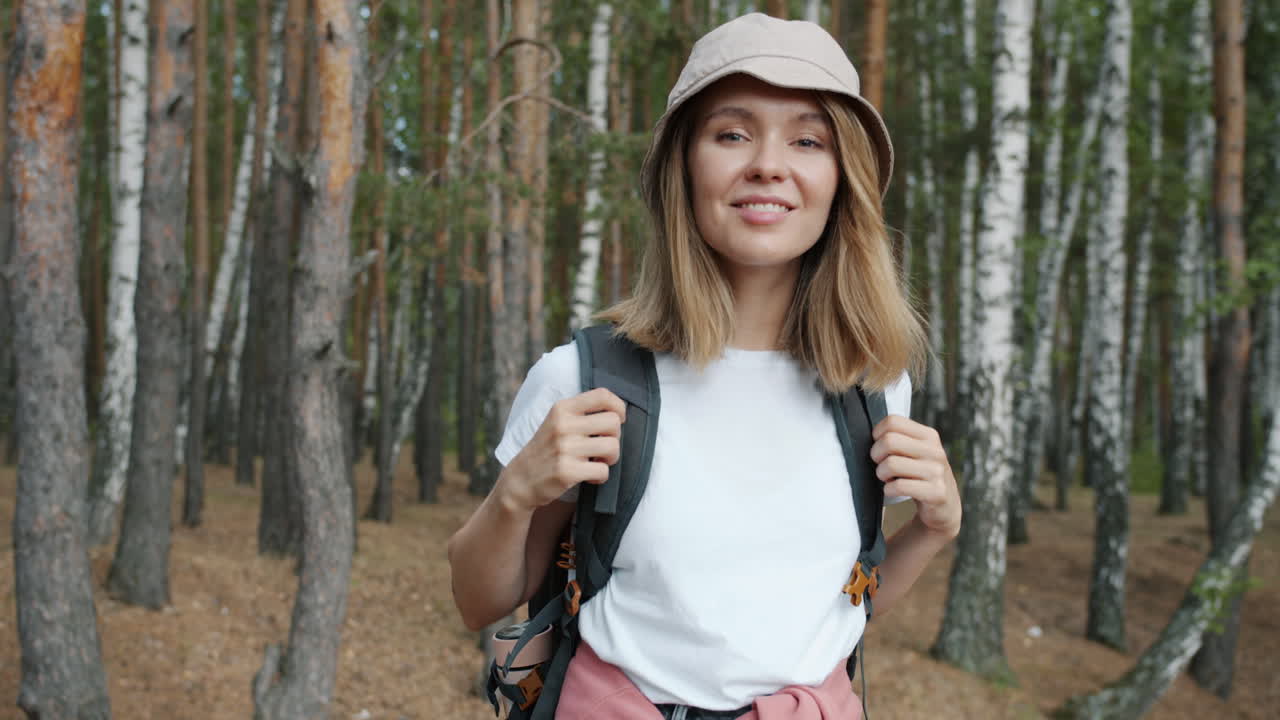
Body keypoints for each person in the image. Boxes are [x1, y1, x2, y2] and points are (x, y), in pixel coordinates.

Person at [449, 12, 961, 720]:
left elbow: (836, 618)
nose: (769, 165)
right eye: (733, 134)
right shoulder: (587, 379)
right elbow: (480, 600)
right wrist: (512, 497)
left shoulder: (871, 389)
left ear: (844, 180)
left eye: (808, 139)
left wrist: (934, 530)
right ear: (683, 168)